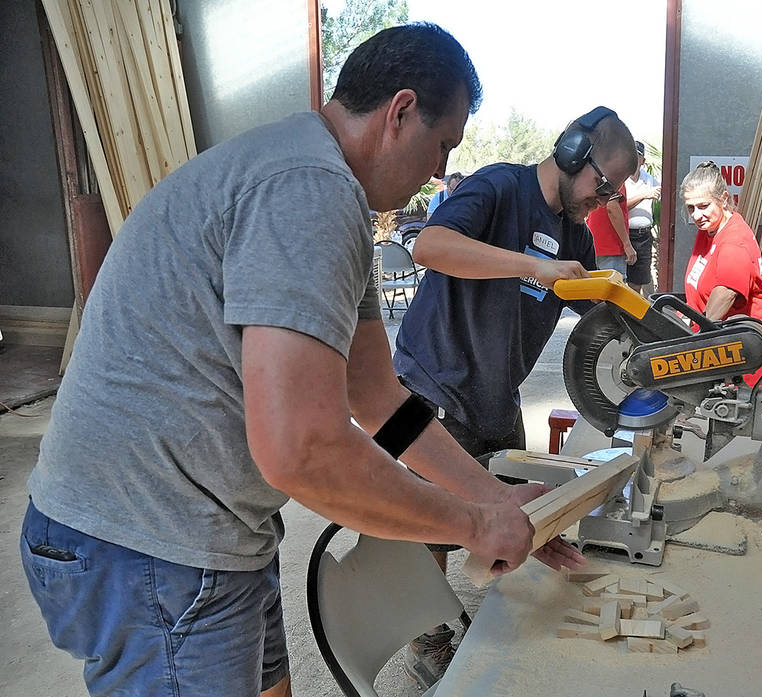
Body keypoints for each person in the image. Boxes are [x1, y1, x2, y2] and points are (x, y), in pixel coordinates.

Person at [20, 23, 583, 697]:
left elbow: (377, 398)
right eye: (442, 146)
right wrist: (471, 524)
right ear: (400, 112)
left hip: (199, 529)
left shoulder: (314, 179)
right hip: (149, 544)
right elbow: (301, 450)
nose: (440, 172)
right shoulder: (310, 189)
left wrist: (496, 497)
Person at [393, 106, 638, 684]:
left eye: (613, 193)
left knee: (513, 504)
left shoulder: (574, 231)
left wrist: (638, 325)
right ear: (573, 150)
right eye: (601, 185)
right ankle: (424, 637)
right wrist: (534, 266)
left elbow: (596, 314)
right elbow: (429, 246)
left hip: (496, 390)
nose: (602, 202)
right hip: (438, 380)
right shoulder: (500, 187)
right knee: (430, 521)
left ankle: (492, 616)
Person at [680, 161, 762, 387]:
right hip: (731, 350)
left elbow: (726, 292)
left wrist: (694, 342)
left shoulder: (734, 241)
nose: (696, 215)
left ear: (723, 198)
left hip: (754, 357)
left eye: (703, 205)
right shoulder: (710, 229)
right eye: (690, 208)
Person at [623, 140, 661, 292]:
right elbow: (619, 206)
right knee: (619, 278)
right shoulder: (621, 179)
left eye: (637, 155)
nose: (633, 158)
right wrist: (643, 195)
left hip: (644, 235)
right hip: (624, 234)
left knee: (638, 281)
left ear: (643, 160)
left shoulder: (650, 179)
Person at [586, 183, 634, 276]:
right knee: (614, 286)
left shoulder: (597, 179)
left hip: (595, 243)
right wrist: (627, 244)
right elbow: (612, 206)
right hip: (612, 245)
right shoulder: (616, 180)